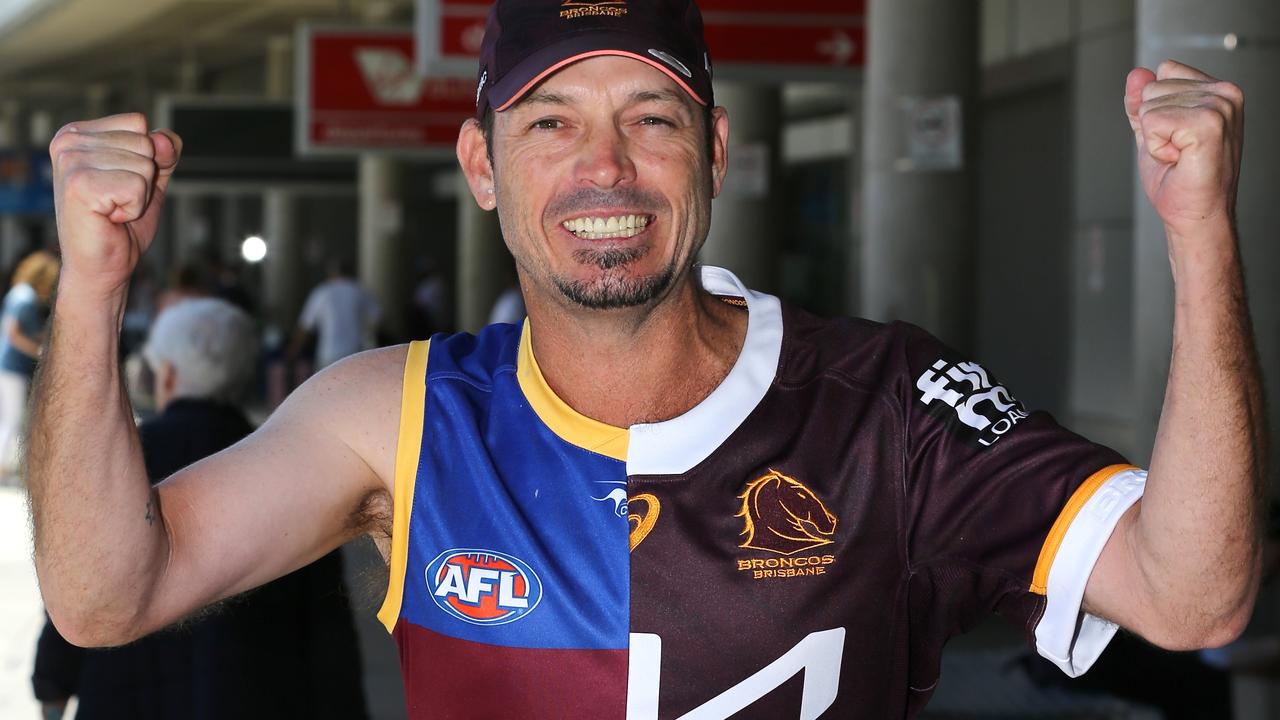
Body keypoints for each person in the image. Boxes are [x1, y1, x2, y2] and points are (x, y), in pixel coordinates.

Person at [28, 1, 1264, 717]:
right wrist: (90, 293)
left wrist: (1199, 238)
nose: (602, 169)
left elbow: (1192, 593)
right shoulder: (393, 416)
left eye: (651, 118)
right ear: (481, 168)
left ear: (714, 151)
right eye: (550, 123)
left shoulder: (887, 406)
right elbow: (102, 595)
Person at [30, 298, 369, 720]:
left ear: (167, 375)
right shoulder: (293, 464)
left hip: (125, 696)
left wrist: (53, 681)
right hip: (259, 698)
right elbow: (325, 623)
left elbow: (81, 579)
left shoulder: (120, 464)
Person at [0, 249, 58, 479]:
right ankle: (3, 466)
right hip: (12, 365)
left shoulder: (19, 293)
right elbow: (13, 332)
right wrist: (38, 351)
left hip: (8, 364)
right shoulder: (25, 297)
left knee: (8, 416)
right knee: (11, 417)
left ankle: (5, 465)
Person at [292, 259, 381, 370]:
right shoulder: (359, 291)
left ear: (331, 273)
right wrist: (367, 335)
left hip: (329, 354)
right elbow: (377, 317)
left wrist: (293, 350)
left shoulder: (322, 292)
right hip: (355, 352)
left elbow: (306, 326)